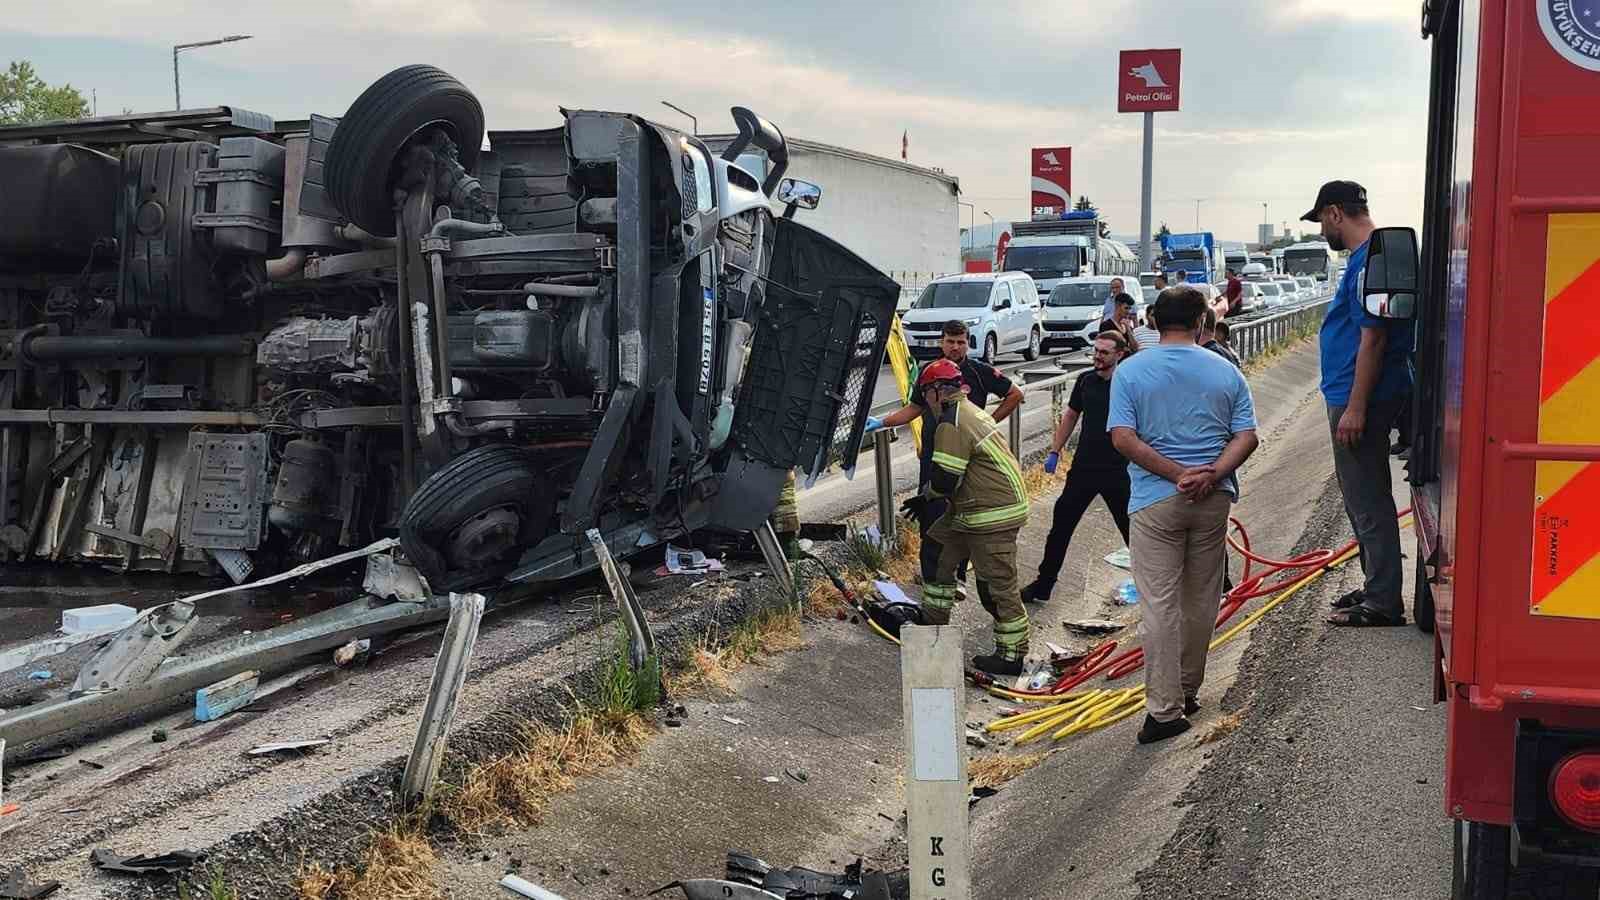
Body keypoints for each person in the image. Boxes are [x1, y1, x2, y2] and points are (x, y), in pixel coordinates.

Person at [1108, 285, 1259, 744]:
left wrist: (1177, 475)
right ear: (1200, 323)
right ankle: (1189, 689)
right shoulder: (1225, 370)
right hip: (1212, 500)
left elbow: (1123, 438)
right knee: (1201, 597)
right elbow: (1247, 436)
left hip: (1156, 500)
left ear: (1153, 321)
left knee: (1160, 604)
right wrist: (1209, 474)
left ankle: (1165, 710)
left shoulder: (1130, 371)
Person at [1301, 180, 1414, 627]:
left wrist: (1356, 407)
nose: (1321, 234)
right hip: (1358, 390)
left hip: (1360, 394)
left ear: (1334, 214)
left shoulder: (1369, 260)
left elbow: (1374, 338)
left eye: (1320, 222)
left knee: (1367, 497)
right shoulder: (1372, 257)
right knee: (1358, 496)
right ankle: (1375, 585)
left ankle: (1384, 601)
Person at [868, 320, 1024, 590]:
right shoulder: (930, 373)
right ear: (941, 342)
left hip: (967, 462)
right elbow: (914, 408)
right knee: (931, 517)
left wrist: (987, 423)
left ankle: (957, 577)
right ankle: (932, 576)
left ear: (968, 342)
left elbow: (1014, 394)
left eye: (960, 341)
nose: (955, 347)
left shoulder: (978, 372)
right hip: (933, 458)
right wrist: (883, 422)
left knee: (963, 518)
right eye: (950, 342)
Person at [914, 358, 1031, 676]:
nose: (925, 402)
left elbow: (945, 479)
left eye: (925, 394)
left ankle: (1012, 654)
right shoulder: (967, 411)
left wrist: (925, 497)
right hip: (971, 509)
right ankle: (933, 622)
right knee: (936, 548)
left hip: (992, 513)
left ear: (937, 391)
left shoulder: (952, 421)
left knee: (996, 586)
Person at [1021, 330, 1133, 605]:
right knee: (1060, 526)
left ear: (1119, 354)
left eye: (1104, 353)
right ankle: (1043, 585)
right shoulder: (1085, 381)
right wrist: (1055, 451)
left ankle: (1153, 584)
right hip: (1083, 468)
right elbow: (1071, 415)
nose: (1097, 357)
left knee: (1133, 531)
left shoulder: (1128, 384)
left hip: (1118, 471)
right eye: (1096, 351)